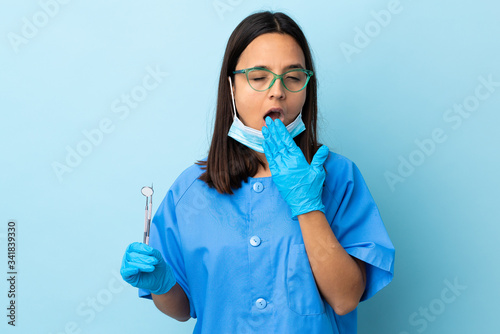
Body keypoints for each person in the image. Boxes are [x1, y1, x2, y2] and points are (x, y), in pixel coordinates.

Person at [120, 11, 395, 334]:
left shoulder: (338, 176)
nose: (277, 91)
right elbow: (182, 310)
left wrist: (307, 206)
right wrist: (162, 283)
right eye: (259, 77)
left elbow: (346, 298)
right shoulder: (190, 190)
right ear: (232, 86)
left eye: (293, 77)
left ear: (307, 88)